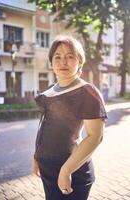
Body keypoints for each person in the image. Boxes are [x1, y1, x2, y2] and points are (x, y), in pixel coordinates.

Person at [33, 35, 107, 200]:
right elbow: (45, 126)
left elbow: (95, 137)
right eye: (57, 57)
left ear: (80, 61)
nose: (63, 61)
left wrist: (66, 170)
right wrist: (36, 155)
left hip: (73, 172)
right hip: (48, 170)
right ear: (51, 63)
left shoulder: (87, 92)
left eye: (70, 56)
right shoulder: (51, 90)